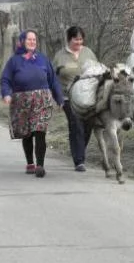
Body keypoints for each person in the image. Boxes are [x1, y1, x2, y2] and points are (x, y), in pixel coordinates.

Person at [0, 30, 64, 178]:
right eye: (29, 39)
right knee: (27, 133)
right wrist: (6, 94)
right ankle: (30, 162)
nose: (32, 42)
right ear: (22, 41)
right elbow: (5, 79)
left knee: (40, 131)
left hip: (42, 99)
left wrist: (59, 98)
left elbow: (53, 80)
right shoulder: (14, 61)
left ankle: (40, 165)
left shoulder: (42, 59)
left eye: (34, 40)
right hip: (21, 102)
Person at [53, 26, 98, 172]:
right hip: (68, 97)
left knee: (88, 125)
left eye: (80, 39)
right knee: (76, 125)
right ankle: (79, 160)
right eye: (75, 39)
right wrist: (57, 97)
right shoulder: (60, 56)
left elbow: (97, 70)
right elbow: (52, 78)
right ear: (69, 39)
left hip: (88, 96)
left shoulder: (88, 53)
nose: (79, 42)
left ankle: (79, 149)